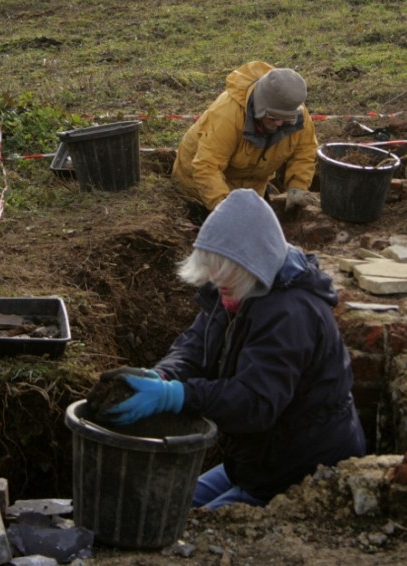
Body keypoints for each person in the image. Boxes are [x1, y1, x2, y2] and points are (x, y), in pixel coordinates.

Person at [96, 188, 366, 510]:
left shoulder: (290, 315)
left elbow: (255, 402)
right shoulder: (238, 289)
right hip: (254, 460)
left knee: (181, 528)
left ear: (251, 266)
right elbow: (195, 346)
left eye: (225, 276)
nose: (216, 284)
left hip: (299, 469)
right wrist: (160, 375)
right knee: (160, 506)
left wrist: (176, 395)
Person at [171, 60, 318, 212]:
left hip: (251, 187)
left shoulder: (294, 110)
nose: (280, 123)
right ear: (260, 106)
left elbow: (305, 151)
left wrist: (298, 187)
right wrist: (224, 208)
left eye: (286, 118)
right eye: (273, 117)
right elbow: (206, 166)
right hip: (199, 188)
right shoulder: (227, 114)